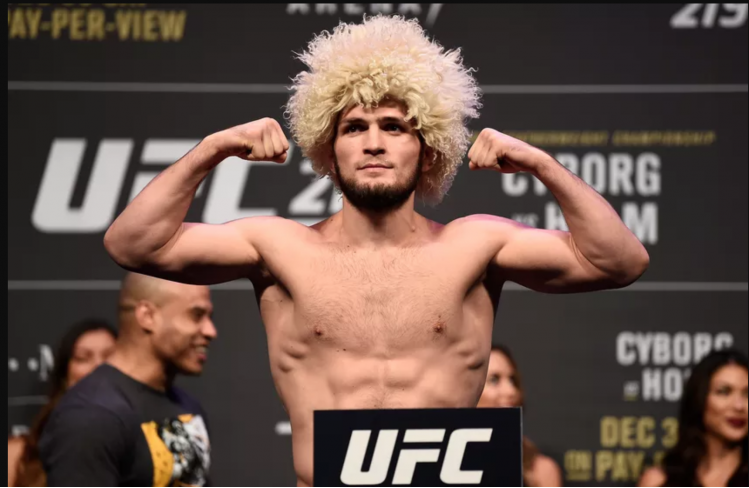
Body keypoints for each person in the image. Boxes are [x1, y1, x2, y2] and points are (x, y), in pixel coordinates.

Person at [102, 15, 650, 486]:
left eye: (393, 127)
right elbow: (133, 242)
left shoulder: (476, 245)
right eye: (353, 128)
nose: (372, 143)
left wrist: (542, 165)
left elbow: (618, 260)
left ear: (428, 149)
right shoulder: (278, 246)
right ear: (329, 148)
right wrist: (213, 148)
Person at [38, 273, 217, 487]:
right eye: (196, 315)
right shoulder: (90, 417)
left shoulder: (187, 406)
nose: (210, 331)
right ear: (148, 316)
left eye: (209, 317)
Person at [7, 319, 117, 487]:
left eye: (110, 356)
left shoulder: (147, 447)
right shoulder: (19, 456)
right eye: (83, 358)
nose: (98, 366)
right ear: (65, 377)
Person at [639, 349, 748, 487]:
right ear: (699, 398)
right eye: (724, 392)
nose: (739, 406)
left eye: (747, 394)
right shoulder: (659, 480)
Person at [477, 344, 562, 486]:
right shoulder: (445, 461)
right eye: (494, 380)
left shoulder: (540, 471)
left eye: (512, 380)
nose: (511, 391)